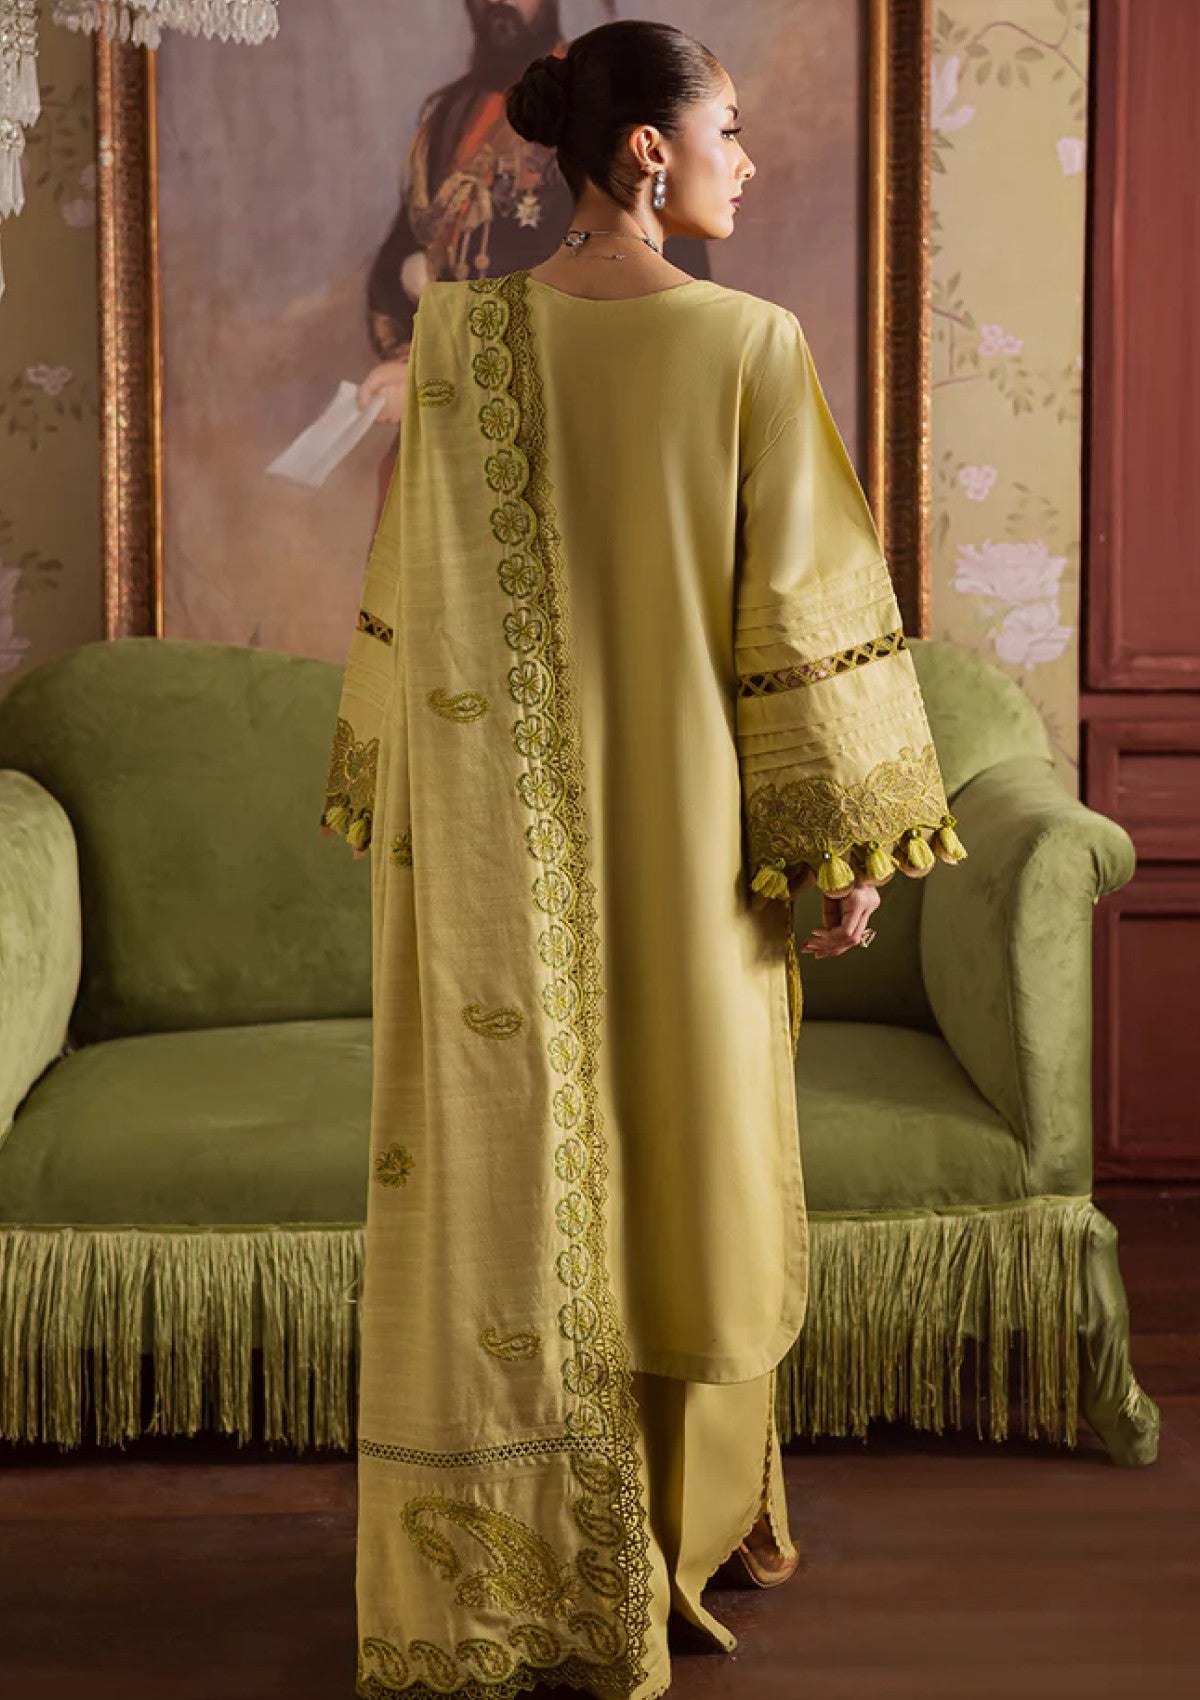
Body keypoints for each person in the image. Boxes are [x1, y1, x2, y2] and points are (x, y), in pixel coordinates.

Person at [322, 18, 967, 1699]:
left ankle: (528, 1561)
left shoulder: (459, 343)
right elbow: (802, 612)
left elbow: (403, 604)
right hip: (694, 852)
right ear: (649, 151)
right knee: (692, 1163)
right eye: (726, 130)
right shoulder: (750, 346)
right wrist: (842, 846)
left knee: (534, 1171)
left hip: (493, 864)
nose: (749, 160)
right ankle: (661, 1536)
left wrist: (398, 800)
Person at [358, 0, 711, 510]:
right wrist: (411, 355)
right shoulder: (446, 116)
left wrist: (439, 363)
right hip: (454, 426)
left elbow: (645, 274)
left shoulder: (600, 109)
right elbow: (398, 262)